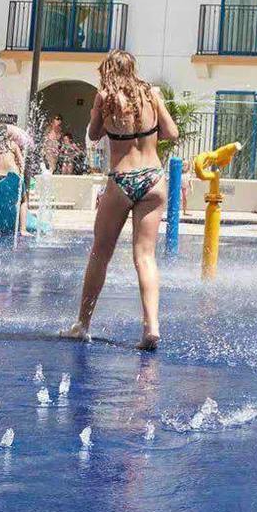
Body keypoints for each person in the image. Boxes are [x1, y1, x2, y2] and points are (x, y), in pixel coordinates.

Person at [61, 51, 178, 351]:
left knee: (100, 253)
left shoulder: (105, 98)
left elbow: (93, 133)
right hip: (154, 178)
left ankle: (82, 324)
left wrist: (96, 114)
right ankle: (151, 327)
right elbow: (172, 133)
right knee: (145, 257)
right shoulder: (152, 95)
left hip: (123, 180)